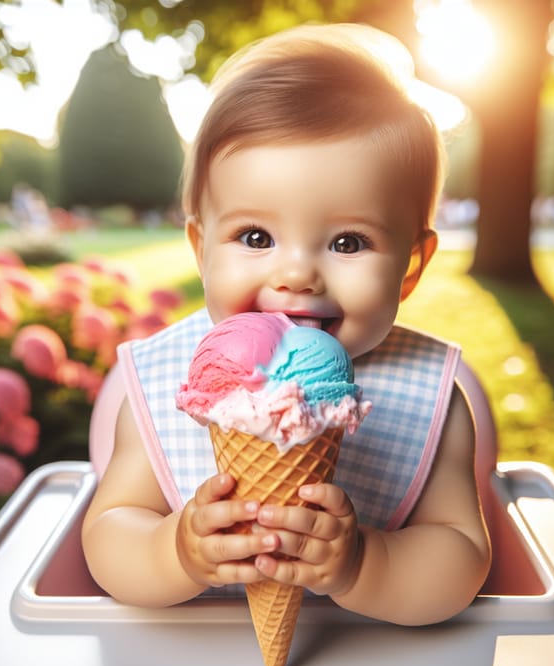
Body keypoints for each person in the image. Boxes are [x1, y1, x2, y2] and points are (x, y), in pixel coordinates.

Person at [82, 23, 491, 626]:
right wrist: (175, 552)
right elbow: (109, 535)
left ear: (411, 265)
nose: (297, 273)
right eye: (256, 236)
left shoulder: (433, 395)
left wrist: (364, 564)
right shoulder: (161, 379)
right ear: (201, 248)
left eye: (348, 241)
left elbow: (462, 558)